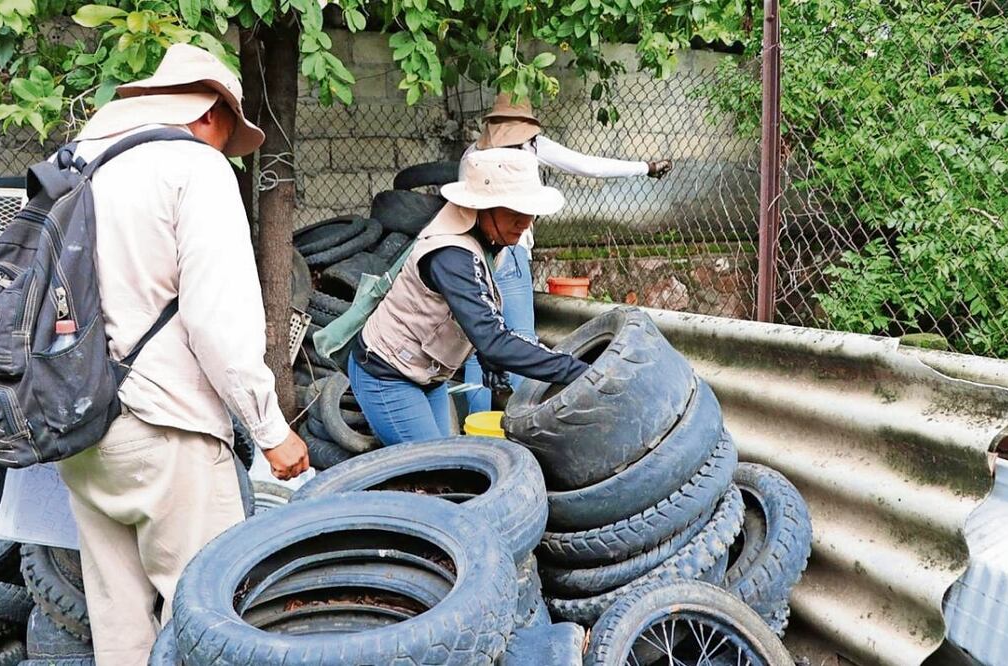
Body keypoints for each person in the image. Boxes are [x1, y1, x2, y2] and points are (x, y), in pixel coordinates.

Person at [54, 44, 309, 665]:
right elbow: (218, 320)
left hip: (77, 422)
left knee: (119, 623)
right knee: (209, 617)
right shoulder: (194, 168)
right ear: (212, 113)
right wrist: (270, 429)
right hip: (166, 426)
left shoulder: (73, 165)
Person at [348, 148, 590, 446]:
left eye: (530, 212)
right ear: (481, 206)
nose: (525, 223)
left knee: (446, 466)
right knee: (433, 472)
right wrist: (580, 372)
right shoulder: (451, 255)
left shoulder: (485, 237)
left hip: (427, 373)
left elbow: (478, 312)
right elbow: (493, 338)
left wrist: (491, 362)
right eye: (515, 212)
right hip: (387, 373)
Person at [460, 92, 673, 413]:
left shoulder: (471, 155)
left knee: (479, 344)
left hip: (474, 255)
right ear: (526, 127)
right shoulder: (529, 150)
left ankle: (474, 426)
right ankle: (525, 421)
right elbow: (588, 166)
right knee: (520, 340)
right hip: (511, 254)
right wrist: (645, 167)